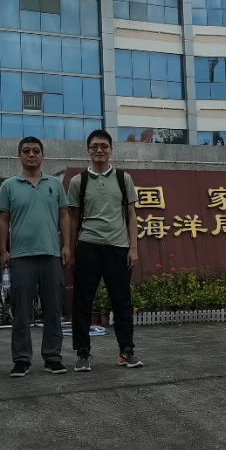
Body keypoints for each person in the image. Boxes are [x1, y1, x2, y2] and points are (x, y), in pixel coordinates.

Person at [66, 129, 142, 371]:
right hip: (88, 247)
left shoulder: (123, 178)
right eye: (94, 146)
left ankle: (126, 351)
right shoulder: (78, 181)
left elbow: (131, 216)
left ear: (111, 150)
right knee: (82, 303)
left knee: (122, 302)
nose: (99, 150)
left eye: (104, 146)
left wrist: (133, 248)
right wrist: (70, 250)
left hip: (118, 248)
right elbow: (73, 220)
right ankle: (83, 353)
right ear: (88, 151)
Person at [0, 137, 71, 378]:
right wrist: (3, 250)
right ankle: (21, 360)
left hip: (51, 255)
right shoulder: (9, 185)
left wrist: (66, 245)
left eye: (36, 151)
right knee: (20, 311)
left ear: (43, 156)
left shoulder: (55, 184)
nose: (31, 155)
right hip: (21, 257)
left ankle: (53, 357)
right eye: (26, 151)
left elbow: (64, 216)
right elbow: (2, 219)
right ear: (19, 156)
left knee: (53, 310)